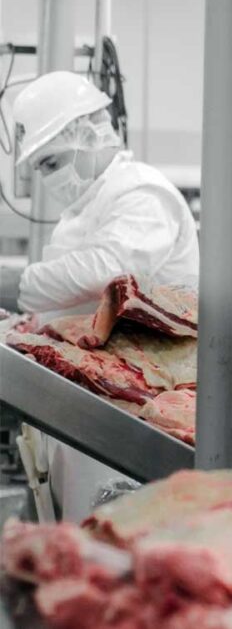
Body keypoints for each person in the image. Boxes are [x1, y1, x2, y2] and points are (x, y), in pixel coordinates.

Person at [12, 70, 198, 521]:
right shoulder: (84, 207)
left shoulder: (141, 192)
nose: (48, 179)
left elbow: (106, 271)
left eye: (52, 163)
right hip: (90, 397)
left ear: (87, 135)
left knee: (112, 534)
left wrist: (15, 284)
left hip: (138, 406)